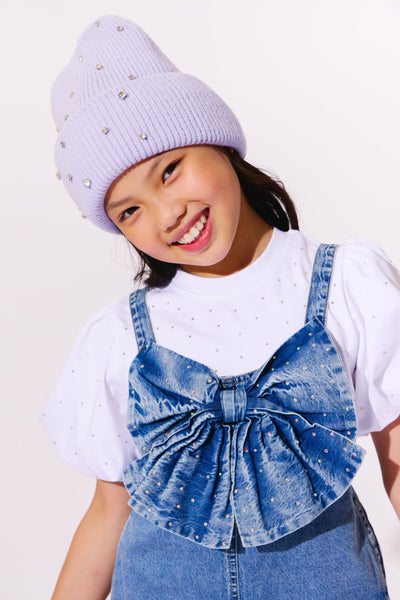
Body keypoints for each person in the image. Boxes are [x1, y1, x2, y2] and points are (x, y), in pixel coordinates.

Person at [41, 14, 400, 600]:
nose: (167, 215)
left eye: (169, 171)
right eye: (129, 211)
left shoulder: (345, 284)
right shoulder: (121, 337)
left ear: (220, 143)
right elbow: (108, 512)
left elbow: (397, 454)